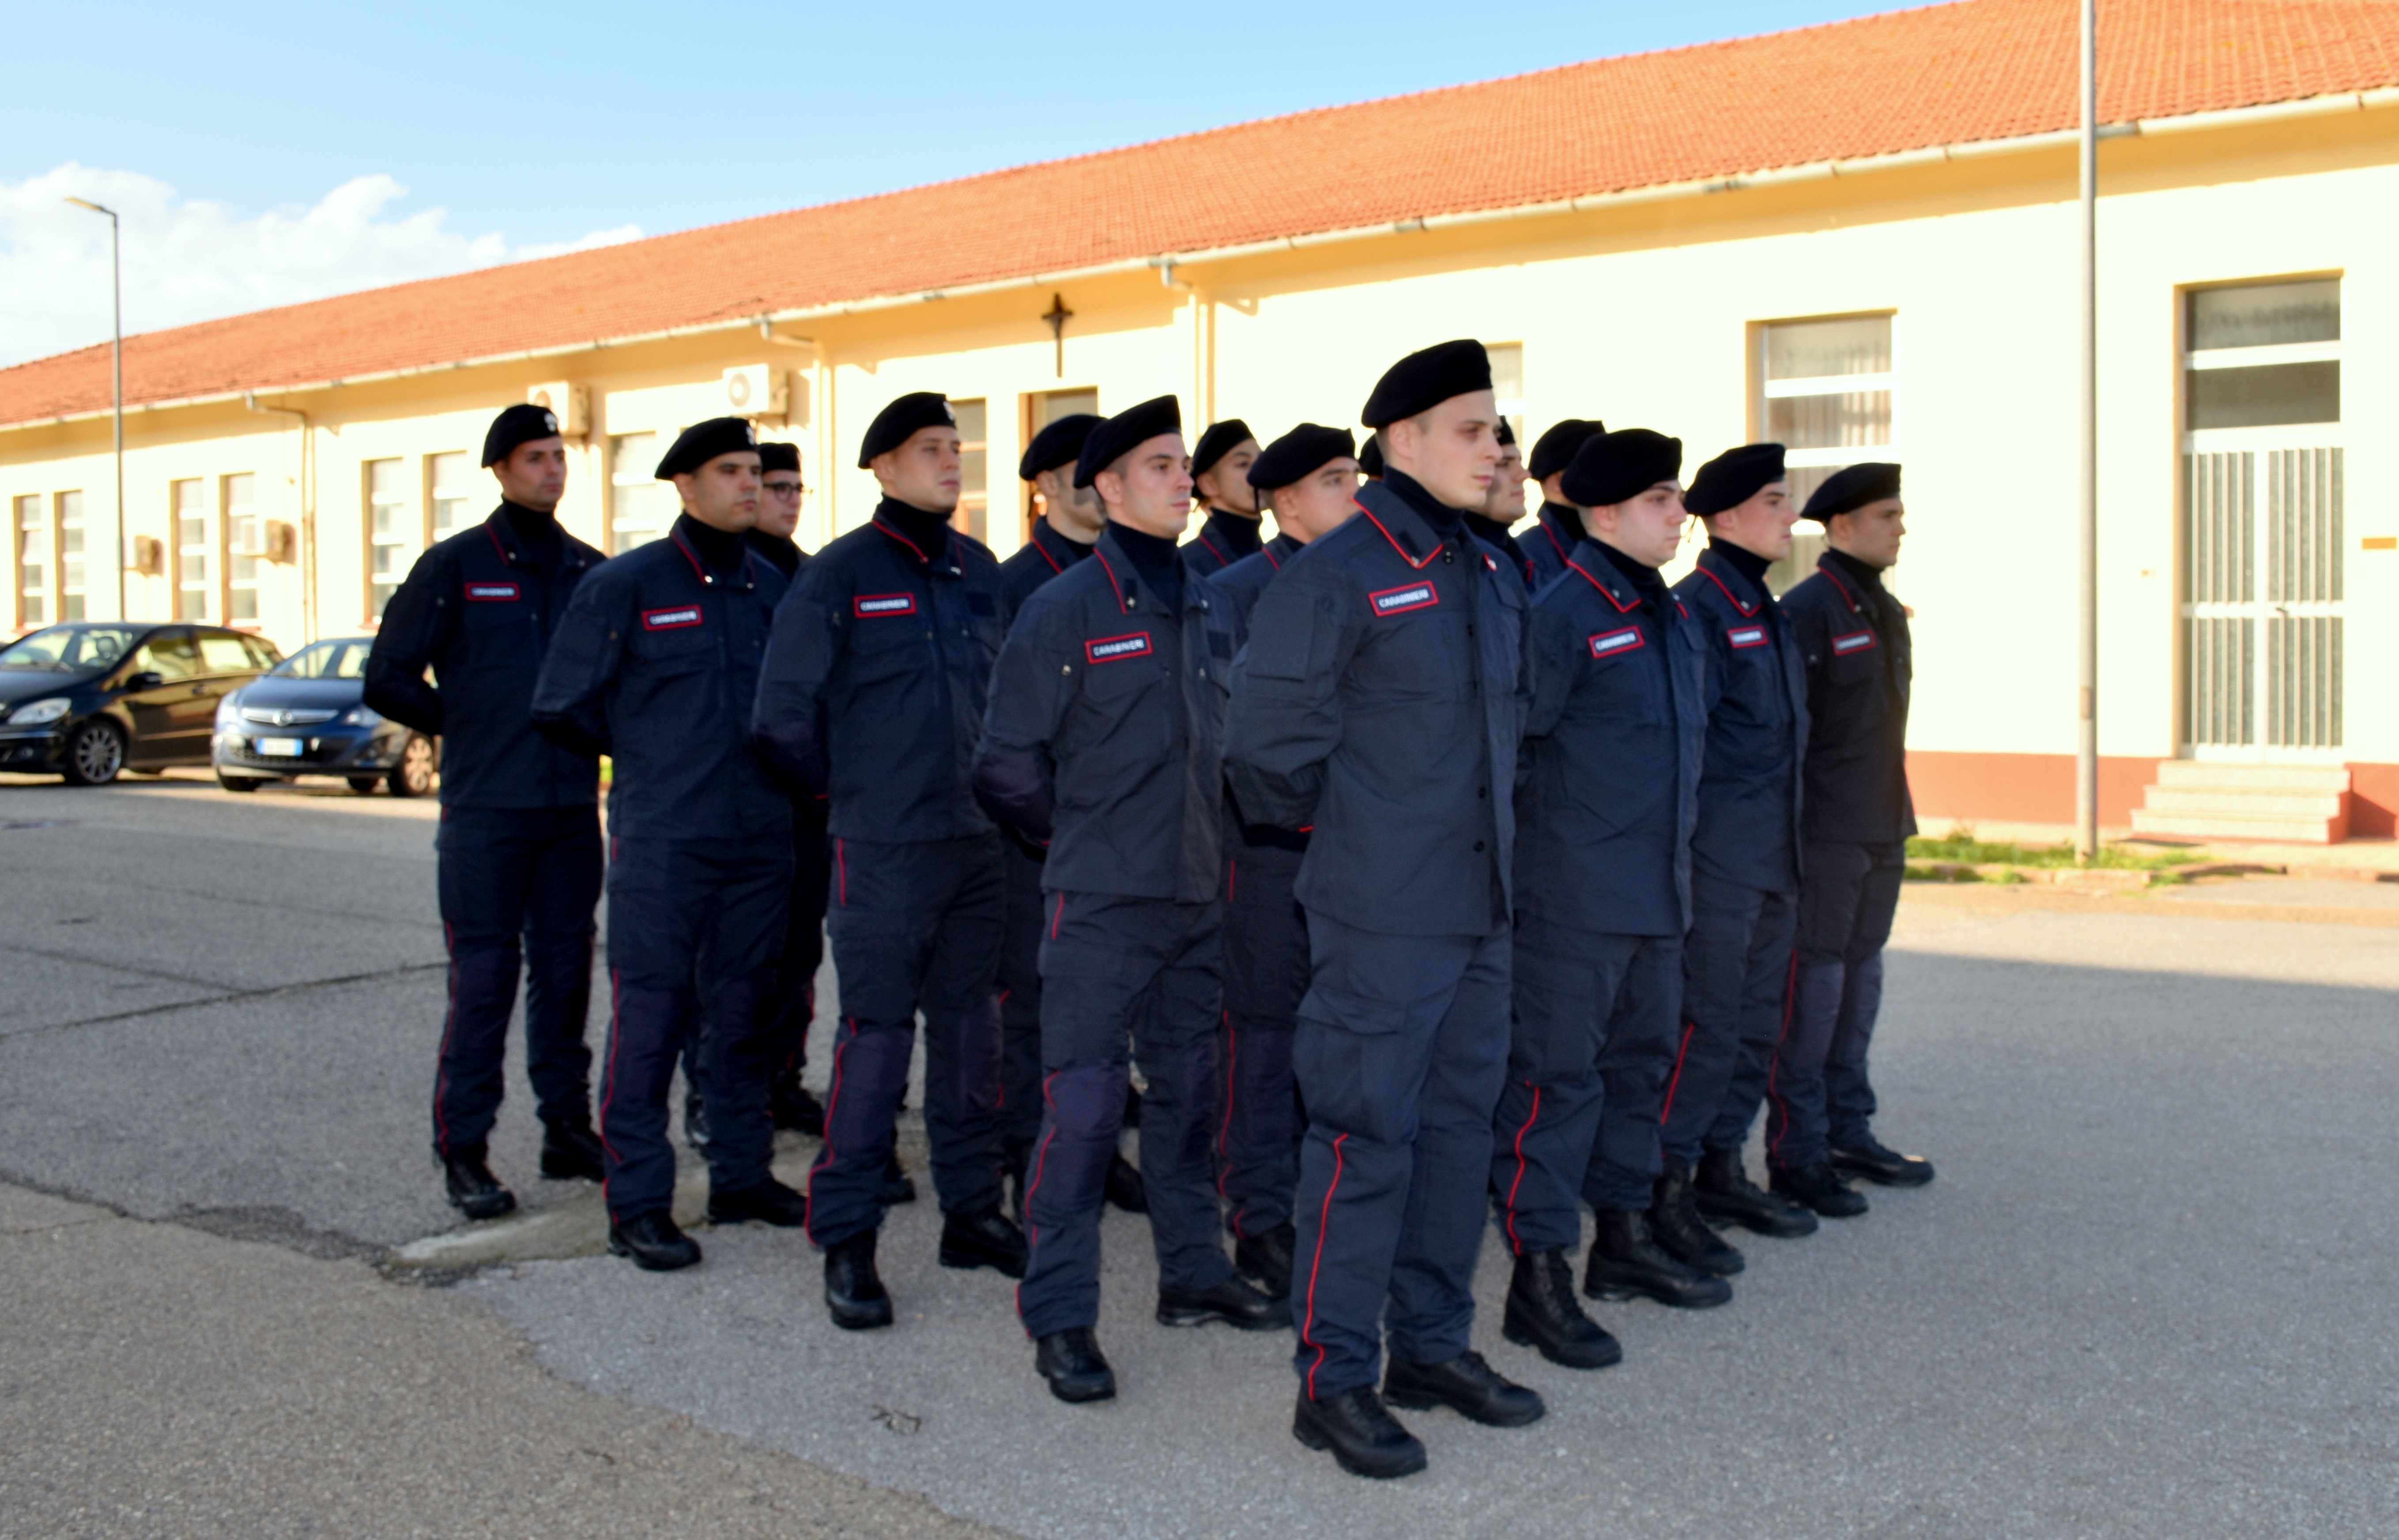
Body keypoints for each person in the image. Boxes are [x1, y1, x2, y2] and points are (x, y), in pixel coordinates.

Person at [1226, 340, 1541, 1481]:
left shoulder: (1487, 569)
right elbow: (1264, 754)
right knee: (1363, 1141)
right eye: (1472, 428)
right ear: (1402, 441)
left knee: (1457, 1136)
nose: (1493, 448)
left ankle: (1432, 1346)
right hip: (1380, 917)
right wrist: (1369, 842)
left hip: (1480, 912)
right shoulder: (1339, 572)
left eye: (1496, 428)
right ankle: (1334, 1381)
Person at [977, 395, 1285, 1405]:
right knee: (1083, 1111)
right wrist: (1081, 842)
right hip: (1103, 907)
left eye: (1184, 463)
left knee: (1188, 1096)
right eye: (1159, 465)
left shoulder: (1207, 600)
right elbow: (1004, 763)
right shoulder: (1064, 608)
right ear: (1105, 487)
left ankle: (1192, 1273)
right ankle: (1060, 1316)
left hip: (1197, 897)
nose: (1182, 479)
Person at [751, 392, 1022, 1330]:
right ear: (884, 467)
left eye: (956, 446)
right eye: (930, 448)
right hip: (883, 851)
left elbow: (1007, 701)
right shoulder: (838, 575)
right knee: (875, 1044)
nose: (951, 461)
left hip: (976, 845)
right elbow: (780, 719)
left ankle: (972, 1211)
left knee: (971, 1035)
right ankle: (848, 1237)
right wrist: (851, 800)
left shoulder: (979, 570)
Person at [529, 417, 804, 1272]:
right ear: (684, 485)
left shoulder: (772, 586)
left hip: (759, 837)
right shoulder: (627, 584)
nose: (749, 485)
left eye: (755, 471)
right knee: (652, 1016)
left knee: (745, 1013)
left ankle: (740, 1174)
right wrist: (652, 753)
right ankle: (638, 1202)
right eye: (730, 471)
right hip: (666, 840)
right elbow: (561, 704)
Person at [1490, 428, 1724, 1350]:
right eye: (1660, 499)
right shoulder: (1560, 615)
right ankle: (1537, 1273)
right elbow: (1509, 760)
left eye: (1675, 497)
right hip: (1573, 904)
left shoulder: (1666, 612)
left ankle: (1619, 1239)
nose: (1678, 514)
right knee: (1552, 1086)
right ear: (1604, 512)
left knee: (1638, 1071)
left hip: (1656, 894)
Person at [364, 403, 607, 1221]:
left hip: (567, 810)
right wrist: (462, 722)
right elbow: (387, 675)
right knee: (485, 980)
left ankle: (565, 1128)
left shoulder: (589, 571)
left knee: (566, 974)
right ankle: (464, 1150)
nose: (551, 469)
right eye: (534, 457)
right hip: (486, 812)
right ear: (501, 471)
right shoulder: (456, 566)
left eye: (558, 456)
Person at [1205, 423, 1360, 1301]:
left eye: (1354, 477)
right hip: (1263, 848)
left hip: (1354, 846)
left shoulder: (1366, 586)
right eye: (1335, 481)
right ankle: (1258, 1215)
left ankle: (1317, 1196)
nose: (1355, 494)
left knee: (1339, 1035)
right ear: (1286, 500)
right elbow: (1228, 735)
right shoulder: (1232, 594)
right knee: (1262, 1037)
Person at [1664, 445, 1822, 1248]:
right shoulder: (1697, 611)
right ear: (1725, 516)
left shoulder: (1765, 606)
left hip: (1772, 857)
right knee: (1706, 1027)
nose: (1790, 515)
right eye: (1773, 501)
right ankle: (1664, 1189)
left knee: (1756, 1024)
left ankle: (1720, 1166)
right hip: (1718, 865)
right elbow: (1685, 753)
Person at [1769, 462, 1934, 1214]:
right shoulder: (1807, 609)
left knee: (1859, 983)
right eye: (1886, 515)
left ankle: (1848, 1129)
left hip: (1881, 820)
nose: (1900, 528)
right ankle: (1797, 1149)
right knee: (1816, 988)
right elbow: (1789, 736)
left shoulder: (1882, 607)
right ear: (1841, 526)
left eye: (1898, 514)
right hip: (1827, 830)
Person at [994, 414, 1148, 1220]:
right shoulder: (1017, 586)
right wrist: (1055, 827)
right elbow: (1001, 737)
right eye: (1080, 473)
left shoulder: (1131, 577)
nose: (1094, 487)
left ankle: (1098, 1152)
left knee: (1109, 1015)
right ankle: (1032, 1159)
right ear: (1048, 486)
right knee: (1036, 1010)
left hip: (1127, 842)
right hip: (1041, 838)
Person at [745, 441, 835, 1141]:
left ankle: (784, 1078)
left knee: (800, 949)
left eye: (795, 488)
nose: (788, 500)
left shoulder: (814, 576)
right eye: (776, 486)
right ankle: (728, 1090)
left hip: (805, 801)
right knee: (742, 959)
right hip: (741, 800)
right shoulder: (727, 572)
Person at [1521, 418, 1606, 590]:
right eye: (1594, 468)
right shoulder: (1527, 553)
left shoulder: (1608, 539)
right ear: (1558, 482)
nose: (1608, 477)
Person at [1180, 419, 1263, 577]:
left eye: (1261, 461)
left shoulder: (1280, 560)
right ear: (1208, 484)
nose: (1259, 472)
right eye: (1243, 464)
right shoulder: (1186, 569)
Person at [1462, 421, 1535, 587]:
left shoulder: (1517, 556)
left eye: (1520, 462)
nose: (1524, 474)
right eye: (1503, 464)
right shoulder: (1461, 562)